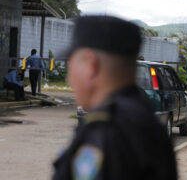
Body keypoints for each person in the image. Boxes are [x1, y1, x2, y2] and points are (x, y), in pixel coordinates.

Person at [52, 16, 177, 180]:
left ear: (90, 65)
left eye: (71, 65)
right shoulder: (147, 120)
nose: (69, 79)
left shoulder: (105, 131)